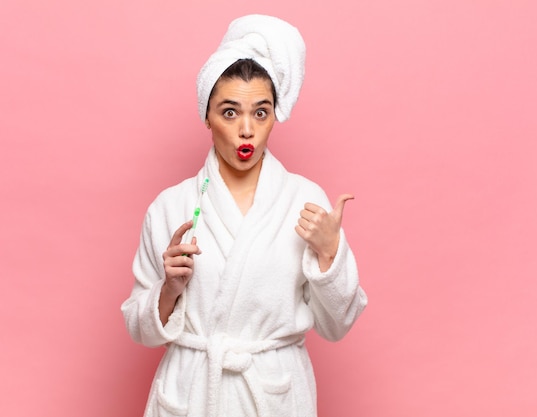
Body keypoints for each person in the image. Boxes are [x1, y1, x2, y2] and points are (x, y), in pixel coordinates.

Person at [121, 14, 368, 417]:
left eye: (261, 112)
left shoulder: (304, 199)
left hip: (271, 396)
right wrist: (168, 289)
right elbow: (139, 329)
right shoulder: (170, 206)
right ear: (207, 116)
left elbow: (337, 326)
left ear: (274, 116)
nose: (247, 130)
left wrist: (329, 256)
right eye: (230, 112)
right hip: (191, 394)